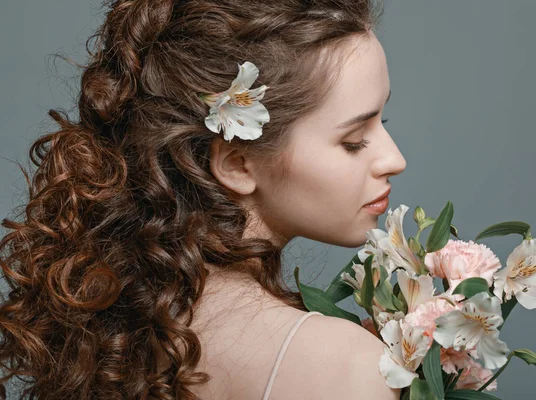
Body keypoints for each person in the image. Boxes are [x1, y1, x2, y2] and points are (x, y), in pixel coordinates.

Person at [0, 0, 407, 399]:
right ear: (237, 163)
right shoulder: (342, 365)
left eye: (382, 120)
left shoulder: (113, 330)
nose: (395, 160)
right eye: (353, 141)